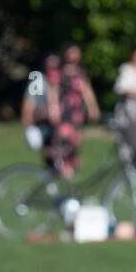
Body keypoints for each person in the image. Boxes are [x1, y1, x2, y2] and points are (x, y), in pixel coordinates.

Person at [51, 43, 99, 178]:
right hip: (64, 111)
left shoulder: (81, 73)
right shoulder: (59, 73)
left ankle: (72, 162)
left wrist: (93, 108)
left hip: (76, 112)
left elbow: (87, 92)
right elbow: (53, 92)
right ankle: (60, 163)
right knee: (64, 135)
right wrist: (53, 108)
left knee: (75, 139)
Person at [20, 54, 61, 163]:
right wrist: (28, 125)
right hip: (44, 125)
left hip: (62, 125)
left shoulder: (64, 80)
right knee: (51, 153)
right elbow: (28, 106)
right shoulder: (38, 81)